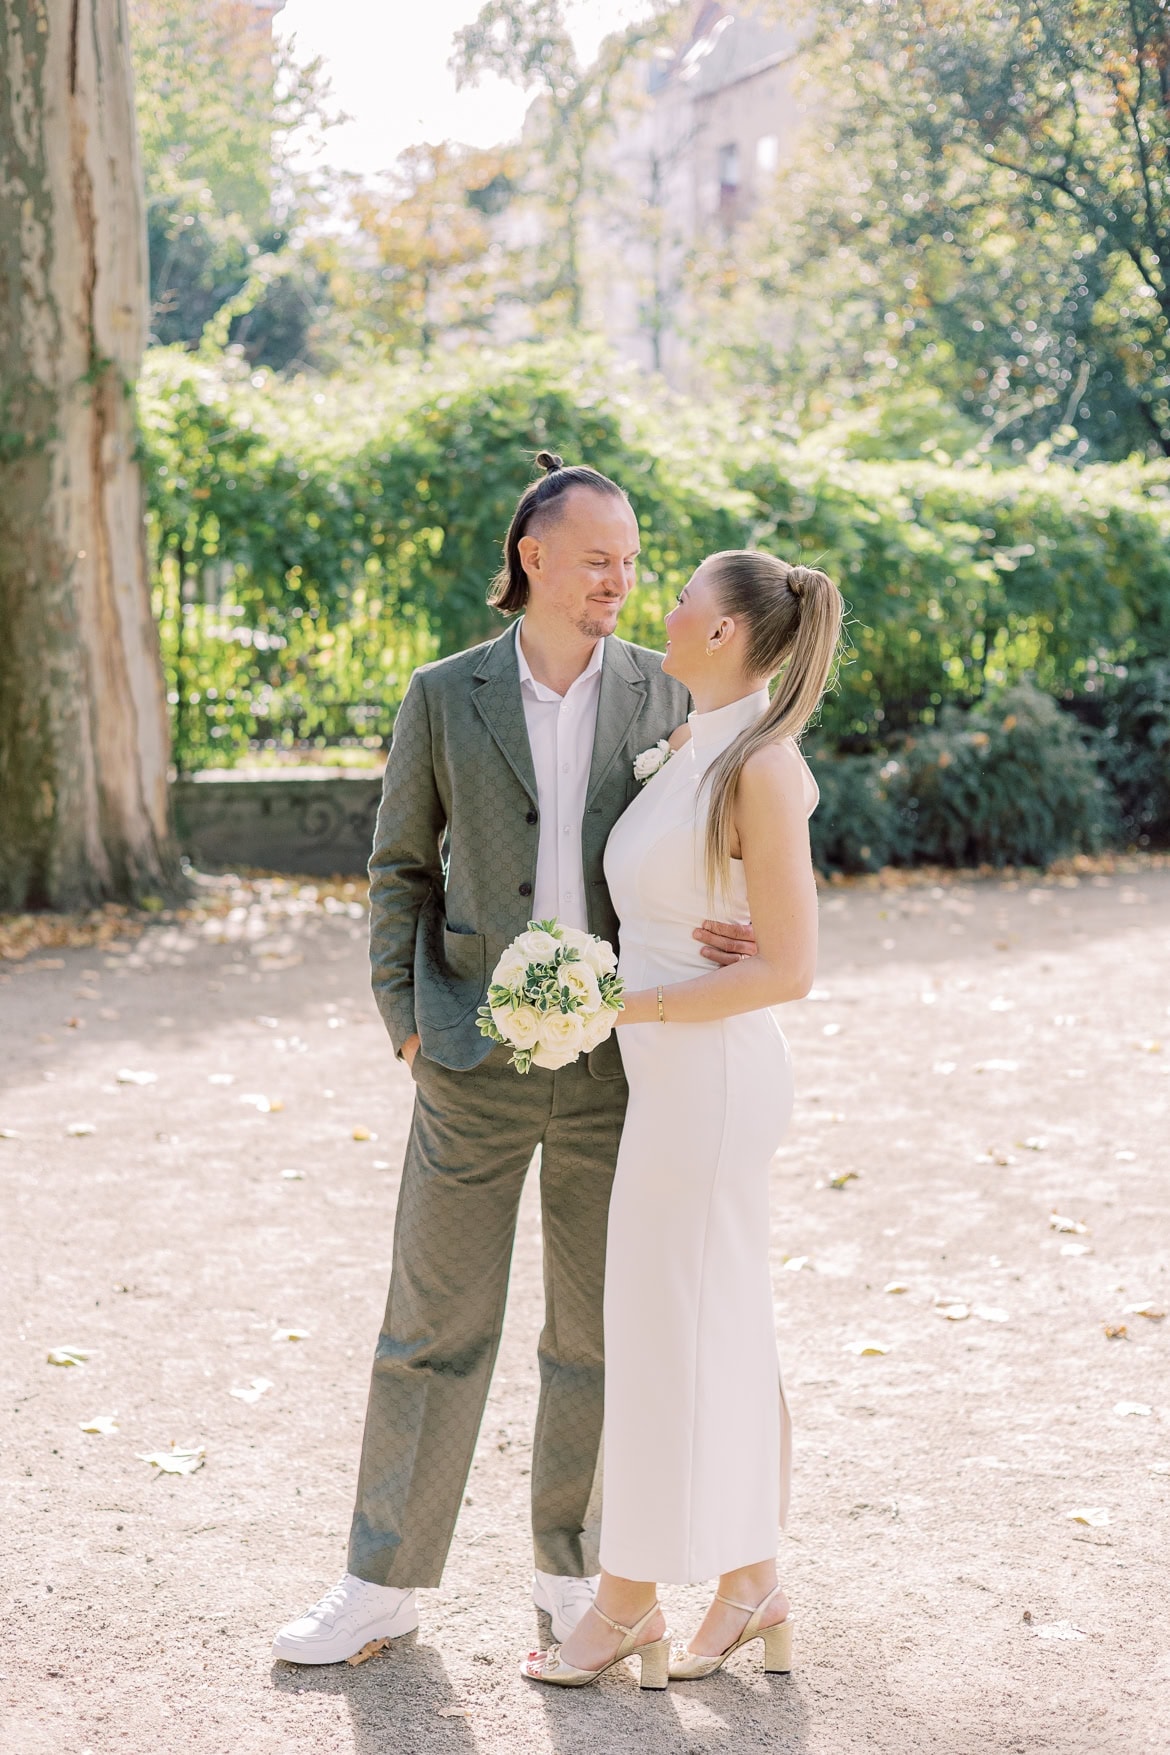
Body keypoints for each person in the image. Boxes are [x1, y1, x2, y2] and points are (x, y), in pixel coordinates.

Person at [271, 456, 759, 1665]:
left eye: (632, 561)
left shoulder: (666, 694)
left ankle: (573, 1575)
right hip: (468, 1060)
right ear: (533, 558)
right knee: (429, 1327)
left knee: (596, 1334)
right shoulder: (445, 694)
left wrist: (743, 921)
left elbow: (730, 835)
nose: (620, 581)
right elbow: (399, 867)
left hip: (618, 1067)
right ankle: (380, 1586)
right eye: (598, 560)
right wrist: (405, 1018)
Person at [521, 548, 843, 1690]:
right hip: (671, 1072)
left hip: (711, 1081)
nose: (660, 606)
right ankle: (752, 1585)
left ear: (723, 632)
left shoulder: (761, 763)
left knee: (663, 1333)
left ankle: (624, 1603)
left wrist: (620, 1005)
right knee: (710, 1328)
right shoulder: (691, 745)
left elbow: (791, 967)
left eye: (681, 596)